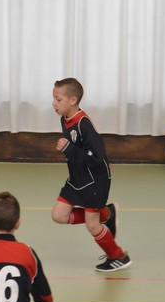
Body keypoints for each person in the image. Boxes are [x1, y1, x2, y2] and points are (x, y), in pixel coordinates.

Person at [51, 77, 132, 272]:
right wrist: (73, 151)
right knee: (59, 215)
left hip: (95, 181)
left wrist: (69, 149)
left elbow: (97, 155)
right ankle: (107, 214)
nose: (54, 103)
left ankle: (118, 257)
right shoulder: (65, 119)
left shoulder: (84, 123)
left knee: (92, 225)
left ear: (73, 100)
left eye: (58, 99)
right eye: (54, 98)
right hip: (78, 177)